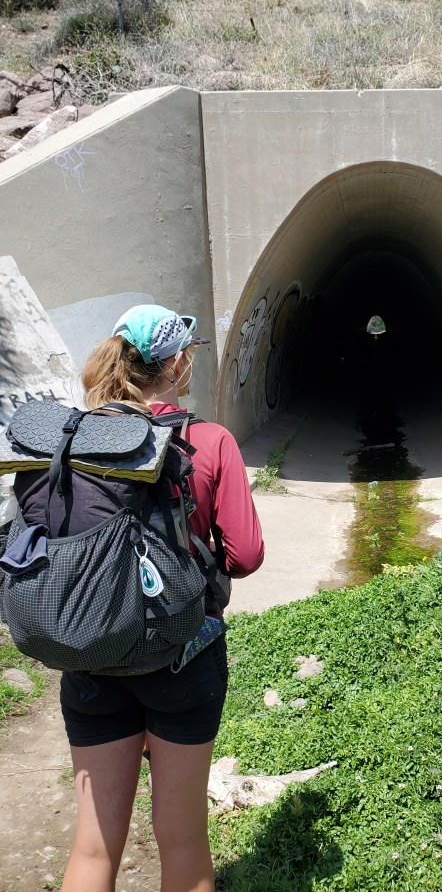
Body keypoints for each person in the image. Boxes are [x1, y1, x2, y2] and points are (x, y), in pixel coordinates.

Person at [52, 304, 264, 892]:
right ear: (175, 364)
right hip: (183, 657)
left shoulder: (78, 439)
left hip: (91, 654)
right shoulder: (207, 440)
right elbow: (246, 555)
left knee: (92, 849)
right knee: (183, 840)